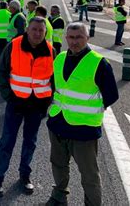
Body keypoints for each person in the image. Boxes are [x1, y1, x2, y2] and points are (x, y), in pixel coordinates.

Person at [46, 22, 118, 206]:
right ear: (66, 38)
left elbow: (111, 96)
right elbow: (54, 87)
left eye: (79, 37)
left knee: (89, 175)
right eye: (71, 37)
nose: (74, 41)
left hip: (83, 130)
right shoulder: (60, 58)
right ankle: (59, 195)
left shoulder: (99, 63)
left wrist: (88, 112)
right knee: (58, 165)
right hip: (57, 123)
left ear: (87, 38)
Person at [0, 17, 55, 197]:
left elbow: (54, 81)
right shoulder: (14, 45)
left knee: (30, 142)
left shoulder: (51, 51)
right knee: (7, 141)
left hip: (37, 106)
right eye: (34, 29)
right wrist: (9, 97)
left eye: (40, 31)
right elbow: (0, 73)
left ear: (45, 33)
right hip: (16, 103)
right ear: (27, 29)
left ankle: (24, 176)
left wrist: (46, 103)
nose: (37, 33)